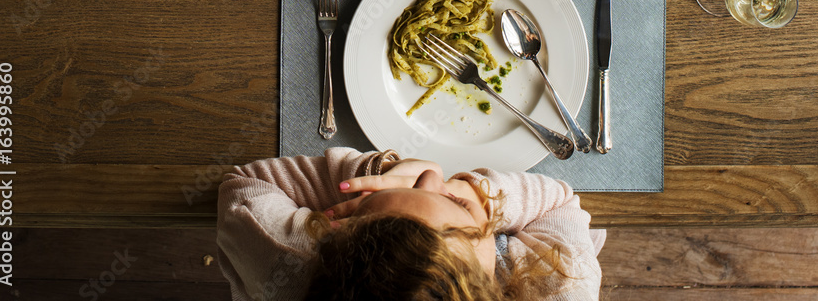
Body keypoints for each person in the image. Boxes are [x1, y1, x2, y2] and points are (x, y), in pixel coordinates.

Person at [216, 148, 605, 300]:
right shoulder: (566, 280)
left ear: (336, 230)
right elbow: (560, 201)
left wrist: (375, 173)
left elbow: (243, 187)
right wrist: (479, 195)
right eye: (461, 213)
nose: (433, 174)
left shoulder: (284, 259)